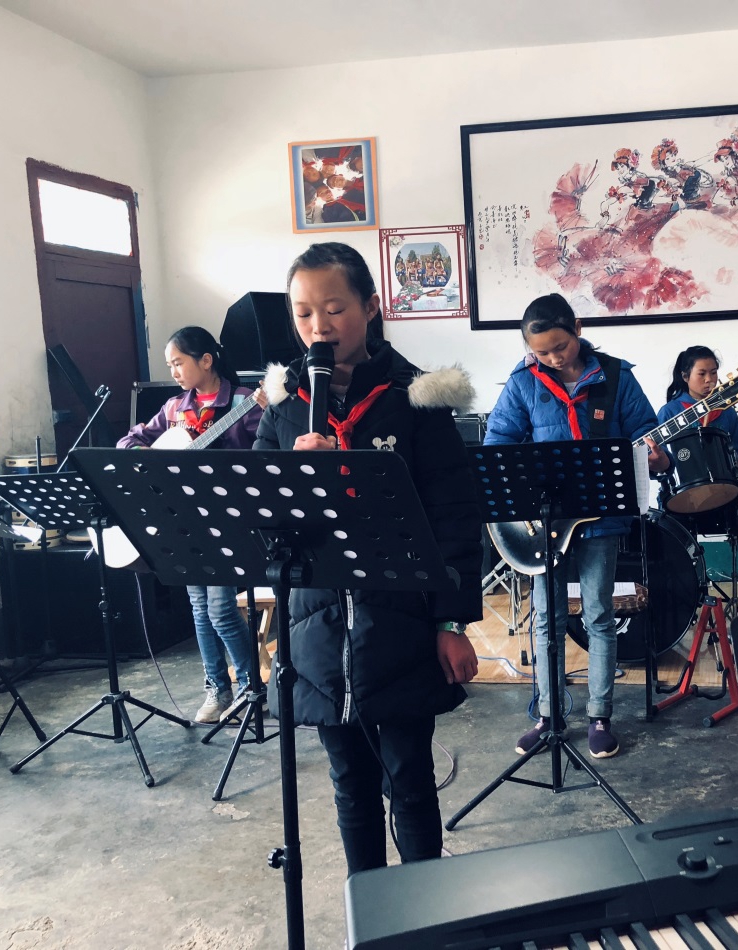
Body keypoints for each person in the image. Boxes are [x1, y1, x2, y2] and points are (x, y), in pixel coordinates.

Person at [253, 242, 482, 875]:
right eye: (303, 314)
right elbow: (266, 523)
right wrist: (295, 479)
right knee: (349, 782)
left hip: (402, 620)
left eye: (335, 309)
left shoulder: (418, 398)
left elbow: (454, 518)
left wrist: (450, 622)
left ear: (371, 307)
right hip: (317, 626)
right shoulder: (284, 404)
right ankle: (369, 906)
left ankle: (427, 909)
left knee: (410, 777)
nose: (319, 328)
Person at [484, 292, 670, 759]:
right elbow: (498, 444)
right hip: (544, 519)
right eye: (541, 351)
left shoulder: (616, 376)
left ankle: (600, 716)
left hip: (601, 517)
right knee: (545, 619)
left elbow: (646, 433)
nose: (552, 358)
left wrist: (657, 457)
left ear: (578, 329)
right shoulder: (523, 381)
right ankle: (548, 715)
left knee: (599, 615)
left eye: (560, 346)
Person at [117, 326, 263, 723]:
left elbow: (266, 450)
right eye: (170, 365)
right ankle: (217, 689)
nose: (174, 372)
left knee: (221, 610)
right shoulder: (173, 409)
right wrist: (150, 456)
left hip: (227, 520)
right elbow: (128, 441)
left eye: (179, 363)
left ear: (206, 360)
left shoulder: (245, 401)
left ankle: (251, 688)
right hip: (183, 520)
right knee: (199, 608)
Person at [658, 346, 738, 614]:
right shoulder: (669, 413)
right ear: (685, 376)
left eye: (713, 373)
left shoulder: (726, 412)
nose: (709, 380)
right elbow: (659, 462)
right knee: (671, 544)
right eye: (702, 373)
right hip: (684, 502)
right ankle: (685, 603)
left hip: (723, 498)